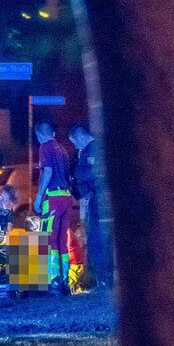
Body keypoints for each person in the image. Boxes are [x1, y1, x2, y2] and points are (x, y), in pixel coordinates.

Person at [69, 124, 113, 289]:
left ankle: (104, 281)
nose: (75, 146)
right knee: (102, 241)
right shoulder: (101, 146)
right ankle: (106, 280)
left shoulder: (91, 150)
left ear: (81, 137)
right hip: (100, 200)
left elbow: (86, 176)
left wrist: (76, 174)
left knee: (97, 242)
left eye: (74, 142)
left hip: (99, 201)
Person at [33, 119, 73, 295]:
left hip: (53, 198)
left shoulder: (45, 147)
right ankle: (66, 282)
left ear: (39, 135)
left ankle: (53, 281)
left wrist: (39, 196)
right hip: (66, 198)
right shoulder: (62, 149)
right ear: (53, 133)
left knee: (48, 239)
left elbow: (47, 171)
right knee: (62, 241)